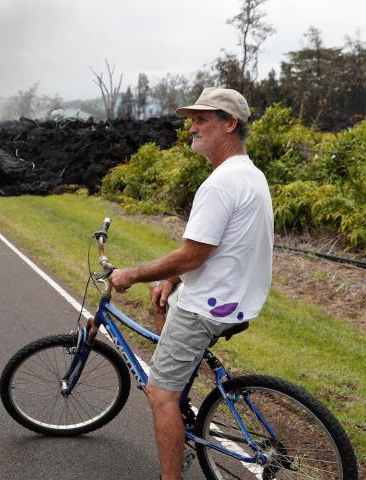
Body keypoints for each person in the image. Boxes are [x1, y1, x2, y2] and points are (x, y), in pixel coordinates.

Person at [108, 87, 273, 480]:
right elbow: (216, 248)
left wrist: (131, 274)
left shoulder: (219, 184)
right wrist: (170, 278)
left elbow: (193, 254)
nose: (192, 128)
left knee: (158, 392)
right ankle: (182, 413)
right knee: (161, 300)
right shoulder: (249, 174)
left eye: (202, 120)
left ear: (230, 124)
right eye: (191, 120)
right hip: (236, 296)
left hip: (208, 305)